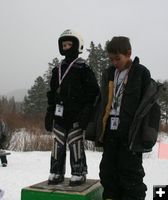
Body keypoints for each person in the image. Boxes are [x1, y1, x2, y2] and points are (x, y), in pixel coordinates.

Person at [97, 36, 151, 200]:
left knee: (130, 173)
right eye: (111, 59)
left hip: (130, 133)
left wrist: (143, 133)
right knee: (107, 171)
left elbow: (147, 105)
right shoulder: (109, 73)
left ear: (128, 53)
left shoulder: (141, 73)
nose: (114, 62)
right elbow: (103, 100)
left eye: (118, 58)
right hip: (111, 131)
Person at [45, 29, 99, 186]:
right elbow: (52, 93)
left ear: (77, 45)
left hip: (77, 116)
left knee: (75, 142)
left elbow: (93, 93)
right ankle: (56, 172)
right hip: (59, 115)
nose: (66, 47)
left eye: (69, 44)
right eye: (64, 45)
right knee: (57, 143)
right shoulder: (57, 69)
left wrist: (87, 112)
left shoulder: (84, 68)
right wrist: (49, 112)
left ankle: (78, 172)